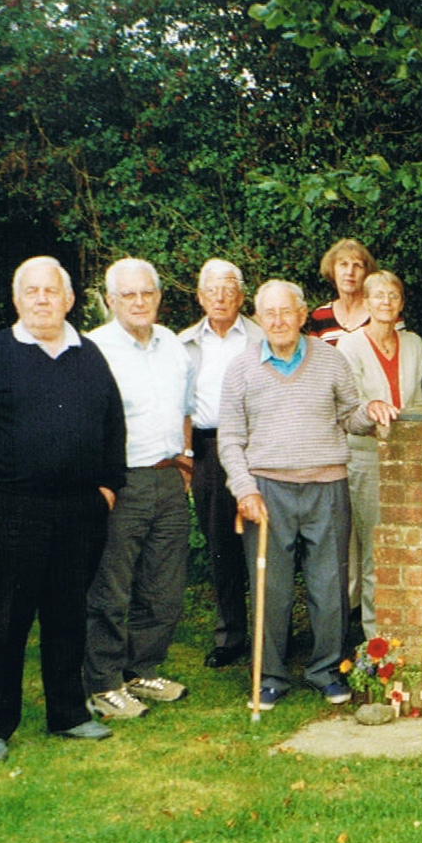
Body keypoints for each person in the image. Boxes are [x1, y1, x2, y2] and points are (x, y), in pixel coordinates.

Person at [0, 256, 124, 761]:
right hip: (9, 513)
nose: (42, 299)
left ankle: (69, 715)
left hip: (79, 512)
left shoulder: (88, 355)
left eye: (51, 291)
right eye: (32, 291)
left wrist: (108, 487)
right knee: (7, 621)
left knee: (68, 617)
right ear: (16, 299)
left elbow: (112, 424)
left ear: (68, 300)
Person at [219, 280, 399, 710]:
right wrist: (244, 489)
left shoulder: (332, 360)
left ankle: (326, 671)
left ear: (303, 316)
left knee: (330, 585)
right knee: (271, 587)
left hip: (327, 485)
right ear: (259, 319)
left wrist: (372, 411)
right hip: (267, 489)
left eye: (287, 312)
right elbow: (229, 438)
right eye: (270, 313)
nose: (279, 320)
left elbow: (349, 417)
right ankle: (271, 676)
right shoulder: (240, 368)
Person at [84, 257, 196, 719]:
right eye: (127, 294)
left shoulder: (173, 345)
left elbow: (186, 410)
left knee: (164, 586)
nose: (138, 302)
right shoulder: (93, 350)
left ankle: (143, 669)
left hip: (168, 477)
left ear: (158, 296)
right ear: (110, 301)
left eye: (146, 293)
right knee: (111, 589)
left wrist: (186, 462)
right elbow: (83, 424)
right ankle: (103, 683)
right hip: (120, 482)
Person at [178, 259, 265, 669]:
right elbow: (179, 406)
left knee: (265, 544)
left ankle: (271, 635)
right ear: (199, 297)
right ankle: (231, 635)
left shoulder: (263, 337)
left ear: (242, 297)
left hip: (261, 448)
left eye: (229, 289)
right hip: (210, 451)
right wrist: (185, 456)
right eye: (211, 290)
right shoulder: (183, 345)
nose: (220, 297)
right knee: (221, 547)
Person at [337, 271, 422, 639]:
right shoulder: (349, 345)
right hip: (366, 458)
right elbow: (351, 406)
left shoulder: (416, 344)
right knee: (375, 548)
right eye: (378, 296)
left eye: (393, 295)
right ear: (365, 302)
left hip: (409, 458)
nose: (386, 302)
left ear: (402, 302)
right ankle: (375, 639)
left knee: (408, 543)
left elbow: (418, 400)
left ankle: (409, 627)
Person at [305, 238, 395, 344]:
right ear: (332, 270)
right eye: (343, 264)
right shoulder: (320, 316)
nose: (350, 272)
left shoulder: (383, 312)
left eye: (357, 265)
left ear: (367, 273)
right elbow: (315, 358)